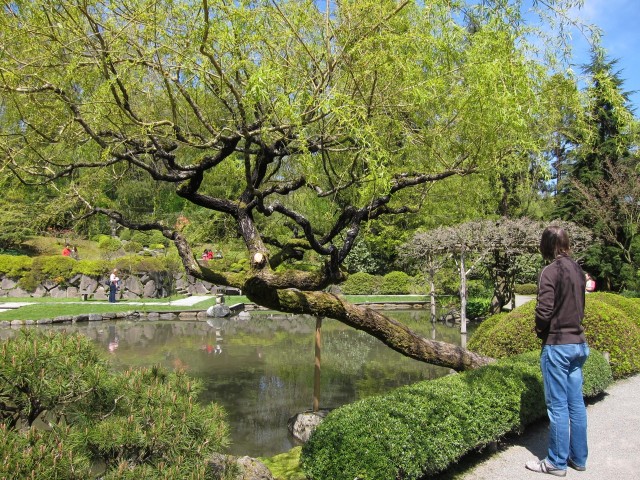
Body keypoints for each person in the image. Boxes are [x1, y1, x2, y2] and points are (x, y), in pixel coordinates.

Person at [525, 226, 590, 476]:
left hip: (558, 345)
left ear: (547, 245)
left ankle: (555, 463)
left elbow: (544, 311)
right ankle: (578, 458)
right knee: (576, 404)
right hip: (578, 344)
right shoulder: (577, 269)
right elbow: (580, 307)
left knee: (558, 406)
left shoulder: (549, 271)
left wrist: (541, 331)